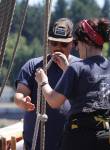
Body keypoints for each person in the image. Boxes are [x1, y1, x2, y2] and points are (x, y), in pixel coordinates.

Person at [35, 18, 110, 150]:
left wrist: (43, 82)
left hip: (81, 138)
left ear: (85, 42)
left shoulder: (77, 68)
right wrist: (67, 69)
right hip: (109, 137)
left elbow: (54, 101)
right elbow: (88, 90)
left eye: (77, 43)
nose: (76, 47)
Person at [14, 18, 80, 150]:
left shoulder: (80, 67)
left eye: (63, 45)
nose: (58, 49)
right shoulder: (33, 66)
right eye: (54, 43)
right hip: (36, 143)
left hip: (70, 143)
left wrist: (67, 70)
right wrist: (23, 101)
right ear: (48, 43)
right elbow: (20, 94)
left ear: (72, 44)